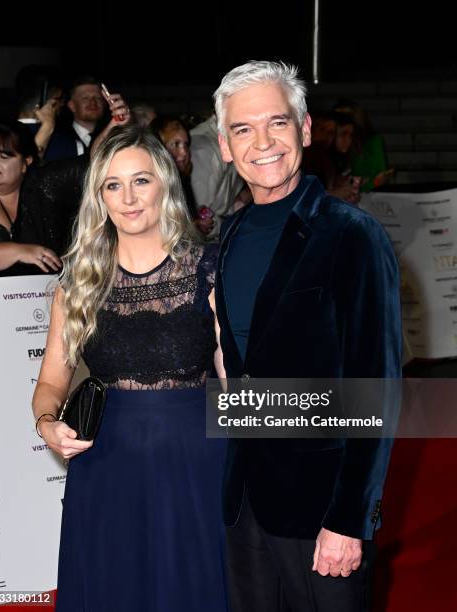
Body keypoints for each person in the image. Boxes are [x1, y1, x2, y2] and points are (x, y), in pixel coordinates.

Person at [213, 61, 401, 612]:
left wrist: (349, 520)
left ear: (306, 129)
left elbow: (377, 387)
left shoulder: (351, 235)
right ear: (225, 146)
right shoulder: (231, 234)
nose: (263, 142)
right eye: (243, 130)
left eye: (278, 122)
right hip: (245, 500)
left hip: (321, 510)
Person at [32, 125, 229, 612]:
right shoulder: (77, 282)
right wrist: (47, 423)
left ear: (165, 182)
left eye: (140, 180)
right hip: (106, 460)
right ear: (98, 197)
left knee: (193, 589)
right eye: (112, 185)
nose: (128, 197)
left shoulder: (208, 269)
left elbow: (233, 378)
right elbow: (52, 381)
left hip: (197, 458)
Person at [0, 120, 63, 278]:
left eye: (4, 156)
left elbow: (90, 162)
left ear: (25, 163)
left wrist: (115, 124)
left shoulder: (43, 185)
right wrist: (18, 251)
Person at [151, 115, 214, 236]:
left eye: (186, 145)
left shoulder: (180, 179)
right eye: (175, 144)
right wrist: (190, 227)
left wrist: (193, 225)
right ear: (158, 147)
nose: (184, 152)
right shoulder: (149, 184)